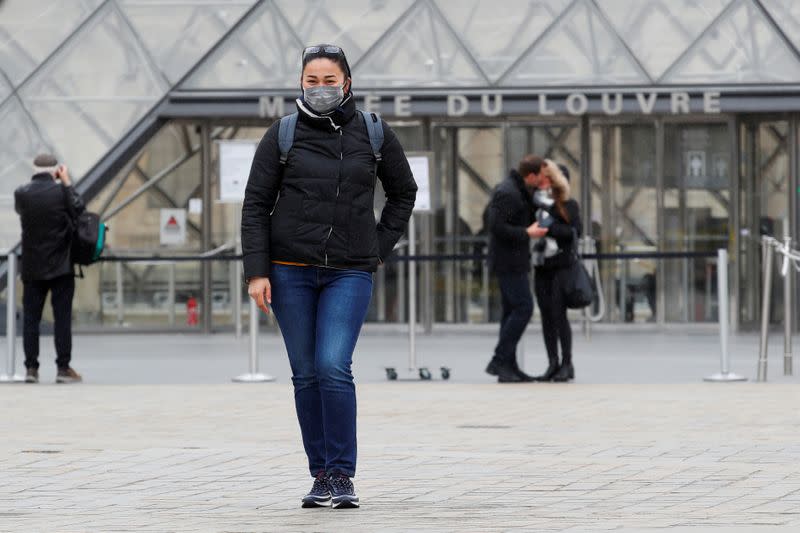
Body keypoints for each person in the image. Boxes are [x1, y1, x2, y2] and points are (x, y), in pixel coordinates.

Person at [241, 44, 417, 509]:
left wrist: (377, 248)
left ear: (347, 83)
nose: (320, 89)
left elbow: (404, 192)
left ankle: (343, 475)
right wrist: (257, 272)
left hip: (349, 272)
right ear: (301, 83)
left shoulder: (375, 133)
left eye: (329, 81)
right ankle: (319, 474)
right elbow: (255, 206)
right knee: (305, 375)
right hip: (289, 271)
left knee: (333, 366)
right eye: (311, 81)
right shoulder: (282, 135)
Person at [14, 154, 85, 384]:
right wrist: (65, 182)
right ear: (56, 171)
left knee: (30, 319)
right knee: (62, 318)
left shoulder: (21, 193)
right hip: (61, 266)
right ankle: (63, 368)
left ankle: (31, 369)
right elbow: (79, 208)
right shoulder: (61, 193)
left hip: (32, 266)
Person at [485, 155, 549, 383]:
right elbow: (496, 226)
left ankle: (508, 367)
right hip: (508, 262)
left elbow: (535, 216)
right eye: (542, 176)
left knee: (511, 311)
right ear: (531, 175)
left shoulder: (522, 191)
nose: (544, 180)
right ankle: (499, 359)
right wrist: (526, 233)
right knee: (524, 307)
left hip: (516, 260)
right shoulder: (508, 192)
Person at [531, 161, 581, 383]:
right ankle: (552, 361)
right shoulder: (537, 202)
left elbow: (572, 233)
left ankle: (566, 363)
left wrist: (549, 224)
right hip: (542, 267)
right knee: (546, 316)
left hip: (561, 267)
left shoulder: (569, 205)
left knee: (559, 316)